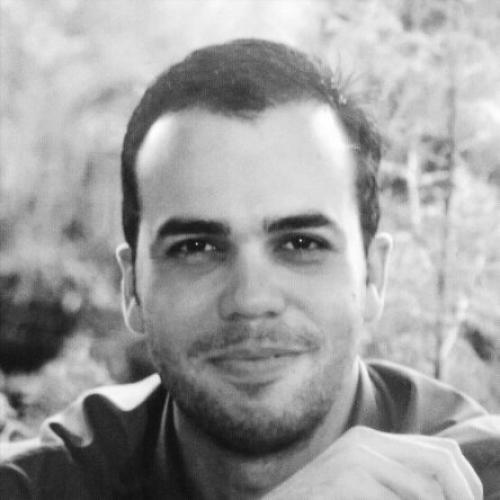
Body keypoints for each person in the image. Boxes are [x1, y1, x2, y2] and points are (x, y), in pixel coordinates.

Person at [1, 38, 499, 500]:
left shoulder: (478, 477)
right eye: (196, 247)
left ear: (372, 275)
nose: (251, 298)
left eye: (301, 243)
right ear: (131, 287)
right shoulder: (41, 486)